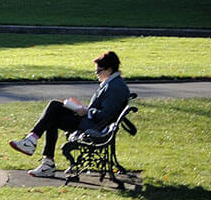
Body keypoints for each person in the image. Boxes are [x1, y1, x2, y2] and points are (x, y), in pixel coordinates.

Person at [9, 50, 131, 178]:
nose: (97, 74)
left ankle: (37, 148)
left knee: (53, 111)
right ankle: (40, 153)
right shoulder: (112, 83)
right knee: (54, 108)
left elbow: (105, 115)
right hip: (91, 122)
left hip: (94, 127)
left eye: (98, 71)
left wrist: (87, 111)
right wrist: (83, 108)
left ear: (109, 69)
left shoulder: (115, 87)